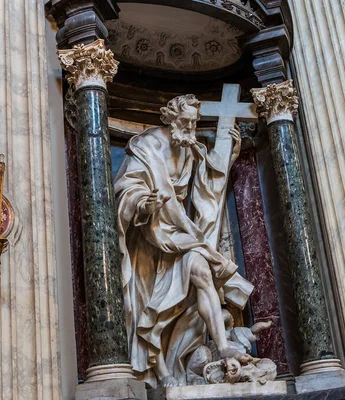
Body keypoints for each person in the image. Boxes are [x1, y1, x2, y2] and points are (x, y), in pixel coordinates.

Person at [114, 94, 254, 387]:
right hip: (149, 233)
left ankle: (223, 344)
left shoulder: (189, 149)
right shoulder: (147, 145)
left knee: (202, 269)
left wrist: (228, 157)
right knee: (152, 303)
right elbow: (127, 187)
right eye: (185, 121)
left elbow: (208, 187)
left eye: (193, 122)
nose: (191, 127)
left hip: (179, 230)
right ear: (169, 118)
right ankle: (162, 372)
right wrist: (142, 203)